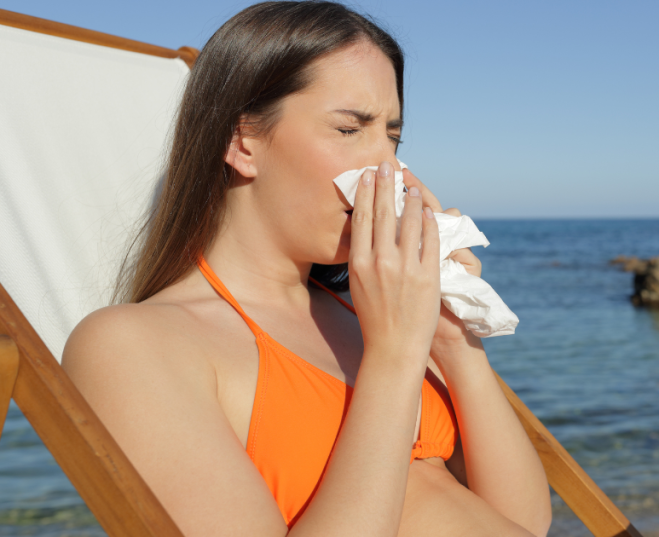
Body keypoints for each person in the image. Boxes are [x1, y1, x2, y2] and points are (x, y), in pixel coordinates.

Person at [61, 2, 551, 536]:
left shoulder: (369, 314)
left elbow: (523, 522)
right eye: (349, 129)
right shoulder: (131, 345)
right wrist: (393, 357)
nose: (389, 167)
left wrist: (455, 342)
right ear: (241, 141)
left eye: (393, 135)